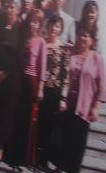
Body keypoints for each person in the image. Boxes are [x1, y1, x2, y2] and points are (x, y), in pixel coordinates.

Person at [59, 25, 106, 173]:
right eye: (80, 35)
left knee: (78, 143)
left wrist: (96, 108)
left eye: (86, 36)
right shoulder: (71, 54)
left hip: (84, 107)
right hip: (67, 105)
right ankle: (61, 167)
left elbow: (102, 86)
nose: (82, 38)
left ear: (92, 40)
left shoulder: (97, 59)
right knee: (64, 140)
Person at [0, 0, 23, 171]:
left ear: (18, 10)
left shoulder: (21, 29)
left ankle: (0, 149)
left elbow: (19, 56)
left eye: (13, 7)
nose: (10, 10)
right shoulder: (1, 26)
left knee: (7, 117)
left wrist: (5, 72)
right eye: (8, 7)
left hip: (11, 79)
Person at [38, 16, 69, 170]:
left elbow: (66, 76)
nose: (53, 28)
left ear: (60, 29)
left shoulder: (63, 49)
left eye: (57, 26)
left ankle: (44, 160)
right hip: (39, 90)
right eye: (52, 25)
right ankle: (33, 157)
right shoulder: (41, 43)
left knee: (49, 127)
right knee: (38, 124)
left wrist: (63, 97)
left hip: (54, 91)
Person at [17, 9, 47, 167]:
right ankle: (15, 155)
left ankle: (26, 158)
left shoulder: (41, 42)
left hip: (33, 82)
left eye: (36, 22)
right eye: (31, 21)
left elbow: (42, 67)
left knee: (30, 121)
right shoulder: (25, 39)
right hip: (21, 81)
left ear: (40, 24)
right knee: (19, 118)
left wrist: (40, 88)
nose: (32, 24)